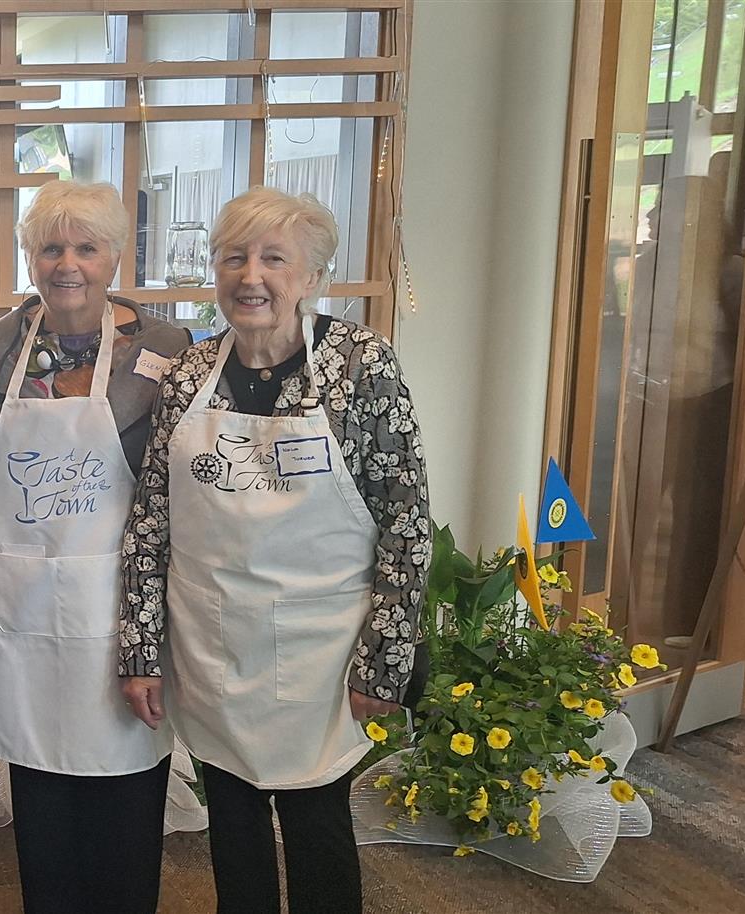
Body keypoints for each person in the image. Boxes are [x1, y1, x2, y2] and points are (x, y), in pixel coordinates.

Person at [118, 187, 430, 914]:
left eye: (273, 259)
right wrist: (140, 649)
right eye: (234, 257)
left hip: (323, 653)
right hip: (212, 645)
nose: (250, 276)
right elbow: (151, 521)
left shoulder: (360, 367)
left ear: (312, 276)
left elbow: (407, 525)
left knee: (317, 827)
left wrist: (384, 663)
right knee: (233, 824)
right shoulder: (189, 375)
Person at [0, 180, 191, 914]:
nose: (68, 265)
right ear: (30, 257)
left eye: (86, 248)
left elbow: (179, 486)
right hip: (24, 609)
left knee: (124, 802)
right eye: (50, 248)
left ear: (114, 256)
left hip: (122, 607)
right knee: (43, 804)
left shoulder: (164, 349)